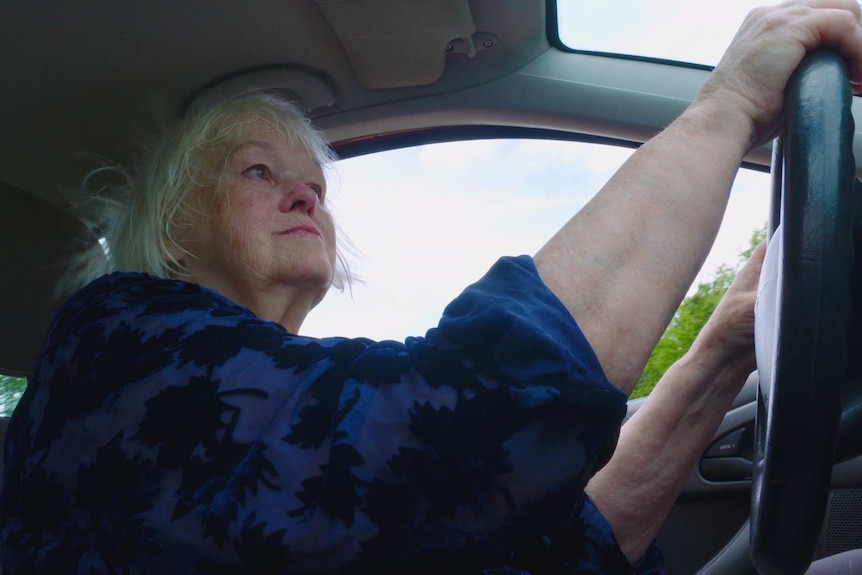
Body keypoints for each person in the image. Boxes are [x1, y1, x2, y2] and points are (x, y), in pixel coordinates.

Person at [1, 0, 860, 572]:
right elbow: (466, 423)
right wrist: (726, 105)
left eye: (316, 186)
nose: (304, 192)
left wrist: (728, 341)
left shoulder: (282, 411)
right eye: (257, 171)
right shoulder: (108, 341)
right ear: (170, 231)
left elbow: (576, 539)